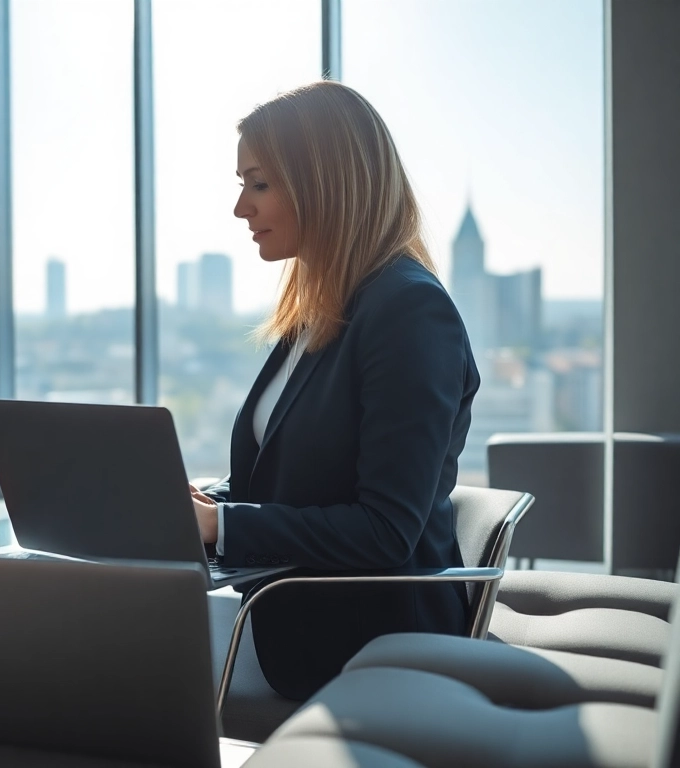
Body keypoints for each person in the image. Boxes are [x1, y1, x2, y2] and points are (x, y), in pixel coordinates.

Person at [191, 81, 479, 701]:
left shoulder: (408, 311)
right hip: (293, 619)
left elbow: (385, 530)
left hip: (369, 645)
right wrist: (206, 501)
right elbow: (299, 476)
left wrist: (222, 526)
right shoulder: (320, 310)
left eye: (259, 183)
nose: (241, 208)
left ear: (325, 183)